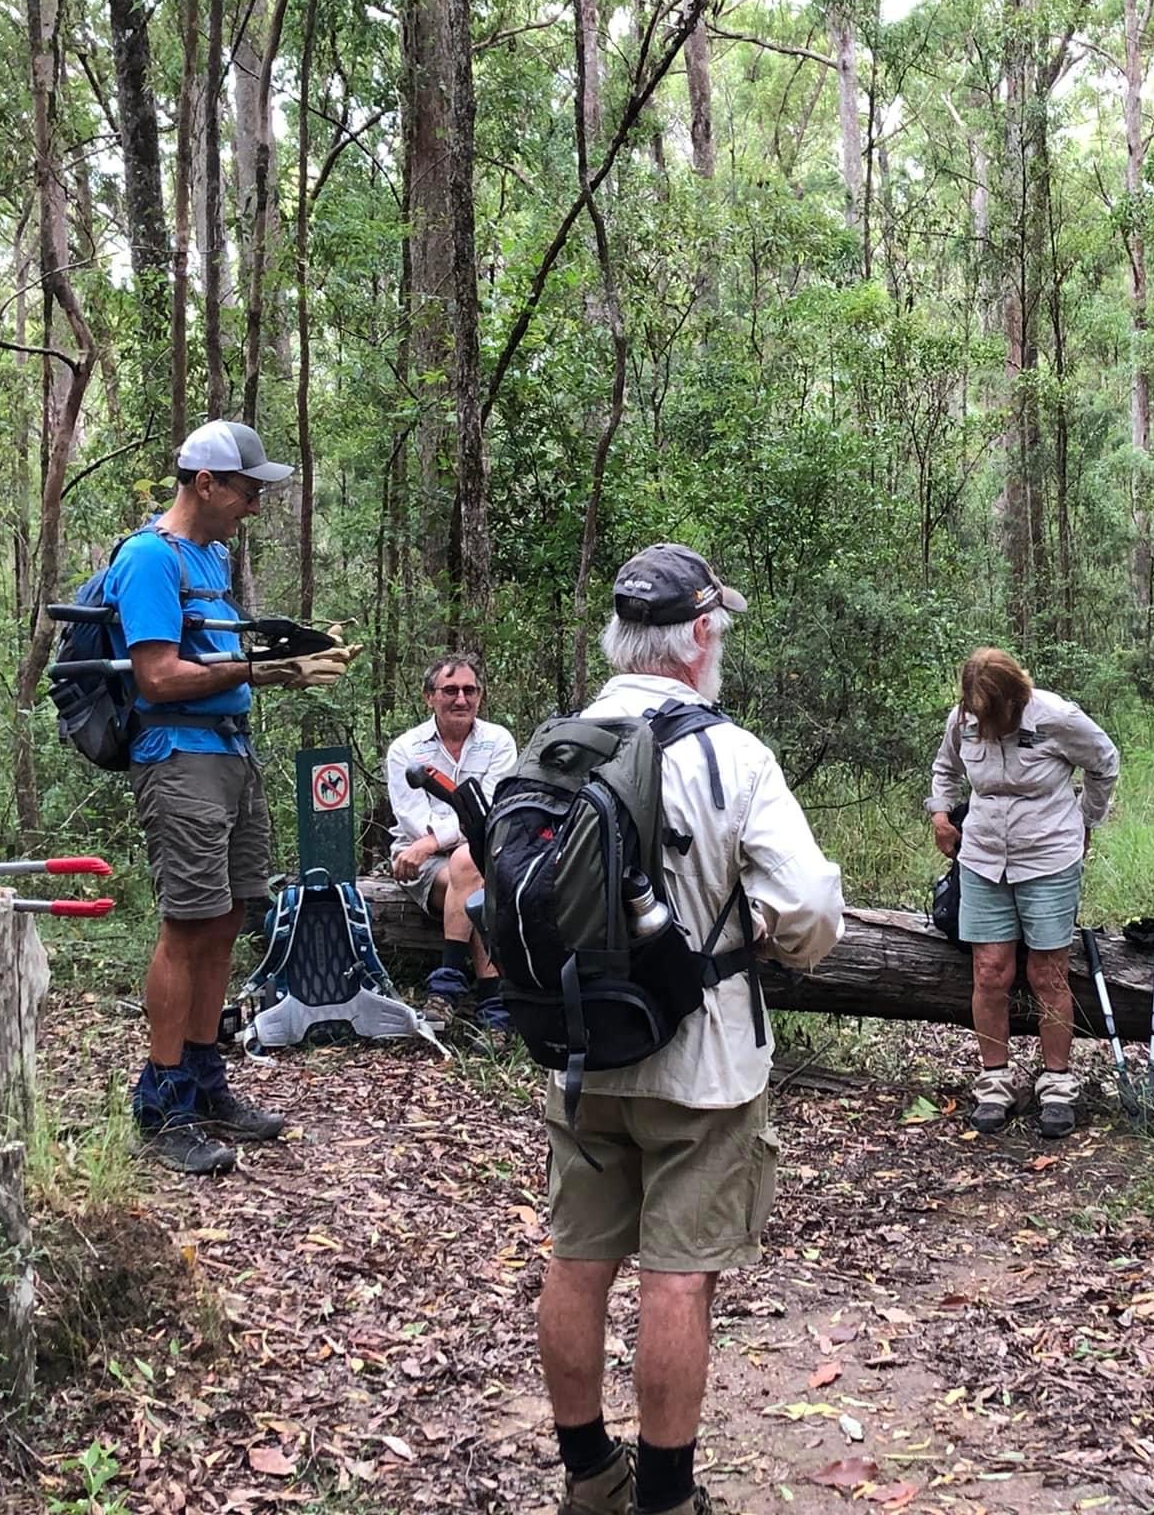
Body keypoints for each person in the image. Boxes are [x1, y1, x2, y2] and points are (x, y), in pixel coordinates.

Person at [540, 543, 845, 1515]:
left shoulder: (557, 743)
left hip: (581, 1053)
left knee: (577, 1258)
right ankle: (666, 1497)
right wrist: (761, 935)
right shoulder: (728, 754)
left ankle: (589, 1476)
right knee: (678, 1277)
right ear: (699, 634)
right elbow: (808, 908)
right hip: (702, 1063)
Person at [112, 420, 358, 1175]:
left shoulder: (212, 557)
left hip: (230, 754)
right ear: (206, 483)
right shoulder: (151, 558)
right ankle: (161, 1103)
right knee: (186, 923)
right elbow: (155, 676)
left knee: (228, 915)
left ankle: (204, 1077)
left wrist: (288, 655)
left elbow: (222, 652)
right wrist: (255, 674)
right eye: (247, 490)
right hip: (178, 755)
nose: (254, 505)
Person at [926, 648, 1119, 1139]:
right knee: (990, 970)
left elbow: (1104, 762)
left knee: (1046, 972)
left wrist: (1086, 819)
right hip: (983, 856)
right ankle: (994, 1082)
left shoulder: (1056, 716)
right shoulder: (963, 719)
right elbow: (944, 768)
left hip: (1048, 855)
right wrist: (942, 814)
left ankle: (1056, 1083)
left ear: (1014, 699)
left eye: (991, 712)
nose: (981, 721)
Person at [384, 653, 519, 1037]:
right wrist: (432, 842)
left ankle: (447, 984)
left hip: (478, 856)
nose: (461, 699)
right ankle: (495, 1006)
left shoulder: (498, 742)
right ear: (430, 697)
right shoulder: (406, 749)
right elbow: (413, 820)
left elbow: (491, 812)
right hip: (421, 863)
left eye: (469, 690)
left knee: (468, 863)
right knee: (471, 872)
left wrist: (435, 840)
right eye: (450, 690)